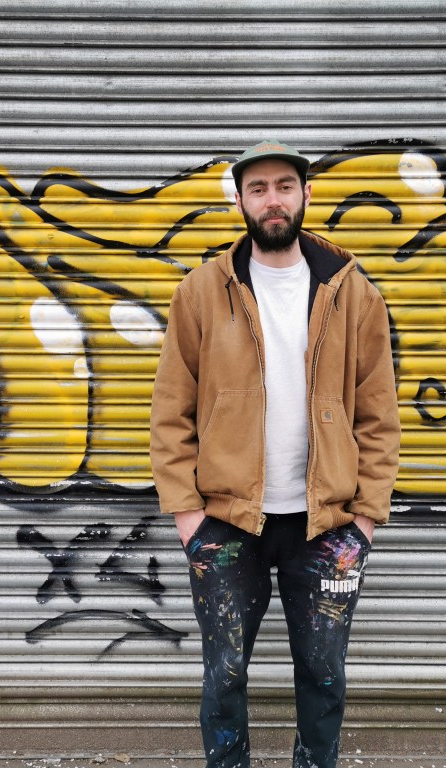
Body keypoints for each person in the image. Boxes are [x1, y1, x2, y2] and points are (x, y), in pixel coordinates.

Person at [149, 139, 401, 768]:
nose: (273, 200)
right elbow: (170, 410)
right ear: (239, 200)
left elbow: (379, 415)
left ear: (306, 194)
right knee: (225, 677)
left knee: (323, 678)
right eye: (257, 188)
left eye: (284, 186)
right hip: (227, 522)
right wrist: (187, 516)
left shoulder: (353, 293)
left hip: (328, 527)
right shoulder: (202, 292)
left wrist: (365, 520)